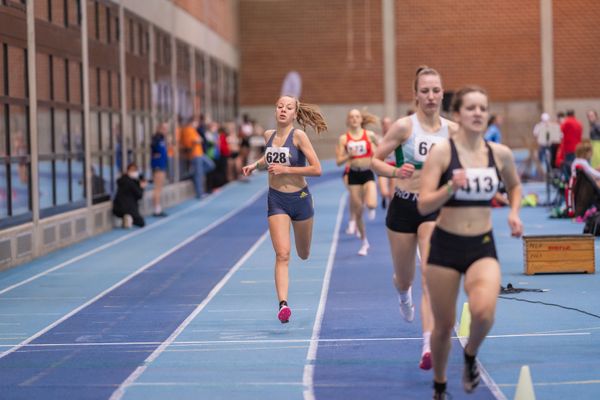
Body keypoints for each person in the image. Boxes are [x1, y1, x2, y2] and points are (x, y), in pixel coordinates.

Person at [417, 85, 523, 400]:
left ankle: (471, 355)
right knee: (444, 325)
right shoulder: (442, 153)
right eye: (471, 108)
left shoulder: (499, 153)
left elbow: (515, 186)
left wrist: (514, 212)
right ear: (458, 115)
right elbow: (424, 205)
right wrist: (450, 187)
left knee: (484, 312)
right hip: (445, 246)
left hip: (482, 245)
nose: (478, 113)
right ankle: (439, 385)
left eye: (483, 108)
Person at [371, 66, 458, 370]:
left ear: (442, 92)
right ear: (416, 95)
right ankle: (402, 294)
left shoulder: (453, 131)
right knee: (405, 277)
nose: (431, 96)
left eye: (436, 90)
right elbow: (374, 160)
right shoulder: (403, 128)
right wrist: (396, 172)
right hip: (403, 208)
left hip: (433, 209)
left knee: (428, 274)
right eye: (425, 91)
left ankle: (427, 345)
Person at [242, 95, 327, 324]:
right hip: (276, 199)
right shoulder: (268, 135)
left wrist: (286, 170)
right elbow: (268, 156)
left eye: (288, 108)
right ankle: (283, 305)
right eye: (280, 106)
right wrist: (255, 164)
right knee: (282, 254)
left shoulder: (299, 136)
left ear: (294, 113)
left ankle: (304, 248)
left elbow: (317, 169)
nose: (283, 110)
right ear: (275, 110)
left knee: (303, 253)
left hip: (300, 199)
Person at [336, 109, 379, 256]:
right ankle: (364, 241)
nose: (354, 119)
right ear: (348, 120)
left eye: (357, 116)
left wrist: (376, 152)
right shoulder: (344, 139)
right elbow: (338, 162)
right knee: (358, 212)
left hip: (367, 173)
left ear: (361, 119)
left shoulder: (370, 135)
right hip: (353, 175)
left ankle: (371, 207)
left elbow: (382, 151)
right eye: (351, 117)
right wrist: (348, 155)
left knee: (372, 204)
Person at [113, 162, 147, 228]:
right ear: (128, 171)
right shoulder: (131, 182)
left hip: (117, 207)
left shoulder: (123, 179)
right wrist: (142, 187)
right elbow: (139, 195)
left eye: (135, 170)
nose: (134, 172)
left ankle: (125, 218)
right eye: (132, 170)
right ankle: (129, 218)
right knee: (141, 223)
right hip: (129, 207)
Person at [150, 121, 169, 216]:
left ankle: (158, 207)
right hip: (158, 166)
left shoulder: (162, 139)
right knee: (157, 188)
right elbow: (153, 147)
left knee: (159, 188)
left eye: (167, 129)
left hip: (162, 165)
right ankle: (156, 209)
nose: (166, 131)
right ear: (159, 128)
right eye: (164, 128)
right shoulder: (157, 138)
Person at [377, 116, 396, 209]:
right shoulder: (378, 140)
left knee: (392, 195)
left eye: (389, 124)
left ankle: (390, 210)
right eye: (384, 124)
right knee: (385, 192)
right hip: (382, 166)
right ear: (382, 126)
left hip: (394, 167)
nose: (386, 126)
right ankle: (384, 197)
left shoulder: (396, 139)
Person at [560, 109, 583, 175]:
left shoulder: (566, 122)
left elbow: (560, 132)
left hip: (569, 147)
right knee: (576, 165)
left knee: (569, 165)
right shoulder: (579, 122)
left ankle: (570, 180)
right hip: (578, 147)